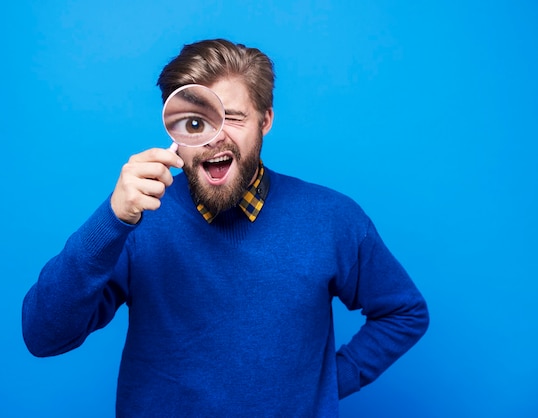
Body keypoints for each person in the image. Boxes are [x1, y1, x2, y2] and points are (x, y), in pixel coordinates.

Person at [22, 38, 429, 417]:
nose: (215, 138)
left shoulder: (332, 218)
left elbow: (404, 311)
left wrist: (323, 384)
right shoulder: (140, 220)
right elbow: (44, 336)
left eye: (232, 117)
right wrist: (111, 221)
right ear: (173, 131)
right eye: (195, 123)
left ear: (265, 120)